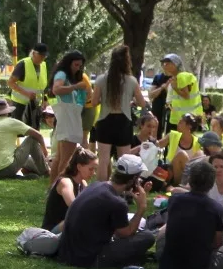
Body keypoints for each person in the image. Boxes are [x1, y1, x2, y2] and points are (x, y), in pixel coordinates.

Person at [54, 153, 155, 269]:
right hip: (89, 258)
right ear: (134, 179)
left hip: (66, 253)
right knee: (147, 236)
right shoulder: (117, 202)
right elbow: (126, 233)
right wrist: (141, 207)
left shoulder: (96, 186)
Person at [157, 158, 223, 269]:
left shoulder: (175, 199)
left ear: (189, 180)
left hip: (168, 267)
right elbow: (217, 242)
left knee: (164, 231)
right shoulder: (217, 208)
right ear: (212, 183)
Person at [91, 44, 148, 180]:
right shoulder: (131, 81)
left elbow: (93, 102)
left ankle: (101, 191)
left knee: (103, 160)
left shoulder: (101, 79)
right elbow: (142, 103)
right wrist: (130, 102)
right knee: (125, 160)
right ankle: (124, 191)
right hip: (123, 121)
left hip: (105, 121)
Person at [0, 97, 51, 179]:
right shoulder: (10, 122)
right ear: (7, 112)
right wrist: (45, 151)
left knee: (20, 153)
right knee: (31, 140)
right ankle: (46, 172)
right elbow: (38, 135)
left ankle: (23, 176)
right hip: (7, 168)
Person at [48, 50, 92, 177]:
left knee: (60, 157)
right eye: (76, 65)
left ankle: (54, 187)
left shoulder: (71, 77)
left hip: (69, 119)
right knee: (66, 160)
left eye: (80, 66)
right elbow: (56, 89)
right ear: (68, 63)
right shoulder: (62, 74)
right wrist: (76, 87)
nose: (78, 68)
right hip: (68, 120)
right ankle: (61, 187)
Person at [45, 146, 97, 232]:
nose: (93, 173)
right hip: (52, 232)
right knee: (77, 219)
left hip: (68, 230)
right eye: (91, 169)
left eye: (95, 169)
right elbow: (74, 206)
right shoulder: (65, 182)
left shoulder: (83, 183)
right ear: (79, 167)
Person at [6, 42, 51, 128]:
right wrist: (26, 93)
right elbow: (10, 82)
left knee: (34, 132)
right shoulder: (23, 64)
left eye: (45, 56)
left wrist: (45, 100)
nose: (43, 58)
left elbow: (42, 87)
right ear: (34, 53)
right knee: (19, 131)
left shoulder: (44, 65)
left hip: (35, 105)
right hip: (20, 105)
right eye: (41, 55)